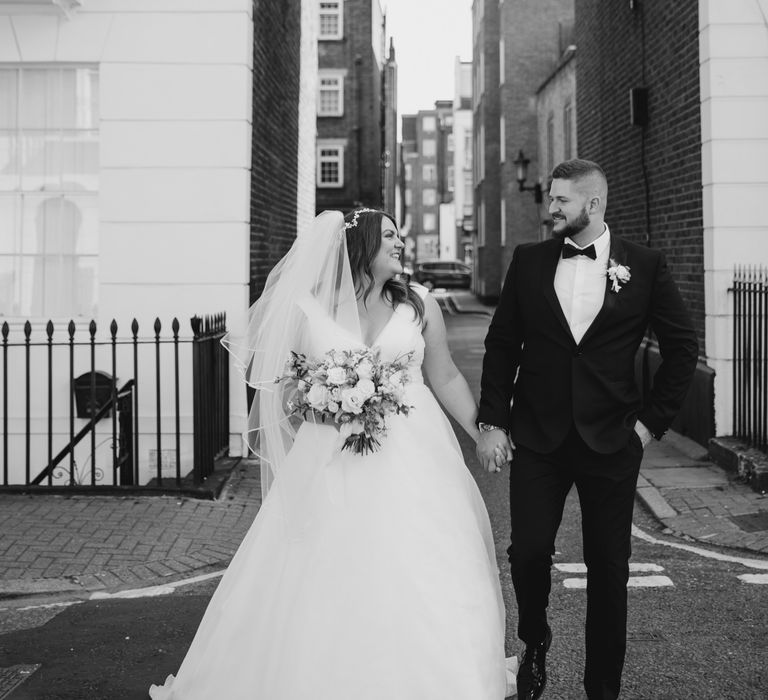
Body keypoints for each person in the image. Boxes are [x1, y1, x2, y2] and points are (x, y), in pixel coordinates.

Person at [149, 209, 515, 699]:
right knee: (323, 564)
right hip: (330, 453)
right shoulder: (309, 309)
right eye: (390, 236)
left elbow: (445, 376)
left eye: (399, 236)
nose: (400, 244)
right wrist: (322, 405)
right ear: (362, 245)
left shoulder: (419, 305)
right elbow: (283, 390)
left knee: (422, 559)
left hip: (415, 453)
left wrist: (481, 432)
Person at [476, 159, 698, 700]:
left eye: (561, 201)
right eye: (551, 198)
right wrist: (493, 421)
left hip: (612, 442)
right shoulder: (528, 262)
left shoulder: (643, 265)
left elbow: (682, 349)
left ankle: (603, 687)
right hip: (538, 438)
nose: (551, 208)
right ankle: (535, 641)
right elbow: (502, 345)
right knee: (527, 552)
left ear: (592, 204)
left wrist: (648, 428)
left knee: (608, 570)